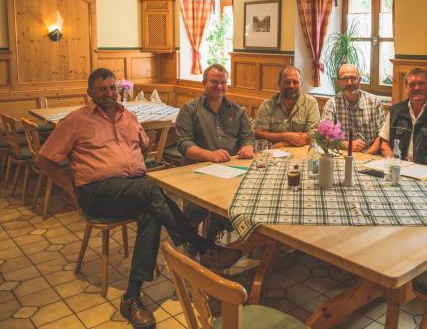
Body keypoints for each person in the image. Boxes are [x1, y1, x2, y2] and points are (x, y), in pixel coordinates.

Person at [37, 68, 240, 329]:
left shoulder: (129, 117)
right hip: (97, 191)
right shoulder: (76, 120)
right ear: (91, 93)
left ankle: (131, 297)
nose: (109, 93)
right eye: (102, 89)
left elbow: (143, 145)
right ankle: (200, 245)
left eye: (112, 88)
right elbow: (44, 159)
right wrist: (69, 187)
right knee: (151, 190)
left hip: (132, 188)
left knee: (151, 213)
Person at [175, 64, 255, 245]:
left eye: (223, 82)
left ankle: (216, 245)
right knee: (195, 211)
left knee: (237, 205)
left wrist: (248, 147)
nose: (219, 86)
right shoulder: (189, 109)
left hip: (231, 172)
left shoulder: (237, 111)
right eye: (214, 82)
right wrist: (209, 155)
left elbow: (248, 137)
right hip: (197, 173)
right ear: (204, 83)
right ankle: (190, 243)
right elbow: (184, 144)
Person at [378, 68, 427, 167]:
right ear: (406, 88)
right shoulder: (394, 111)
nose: (416, 88)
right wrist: (394, 165)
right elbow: (384, 144)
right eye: (411, 84)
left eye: (421, 84)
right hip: (397, 169)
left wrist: (425, 171)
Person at [321, 64, 384, 154]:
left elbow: (382, 136)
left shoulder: (374, 102)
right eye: (345, 79)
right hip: (342, 155)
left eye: (353, 78)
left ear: (359, 80)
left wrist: (367, 155)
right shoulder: (332, 104)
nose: (349, 83)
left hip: (371, 156)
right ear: (339, 82)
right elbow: (324, 136)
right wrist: (347, 144)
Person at [253, 66, 320, 148]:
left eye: (295, 82)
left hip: (300, 153)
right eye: (287, 82)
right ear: (279, 83)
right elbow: (259, 135)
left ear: (301, 84)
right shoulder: (267, 105)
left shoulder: (311, 103)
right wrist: (285, 136)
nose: (291, 86)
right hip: (272, 155)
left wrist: (284, 144)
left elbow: (314, 134)